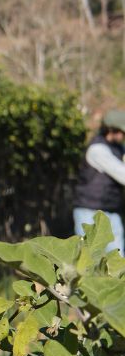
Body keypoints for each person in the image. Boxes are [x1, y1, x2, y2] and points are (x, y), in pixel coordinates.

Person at [72, 109, 125, 254]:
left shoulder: (118, 148)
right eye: (122, 132)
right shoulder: (97, 149)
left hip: (111, 210)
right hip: (89, 210)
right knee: (89, 259)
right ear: (111, 129)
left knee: (117, 258)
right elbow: (122, 174)